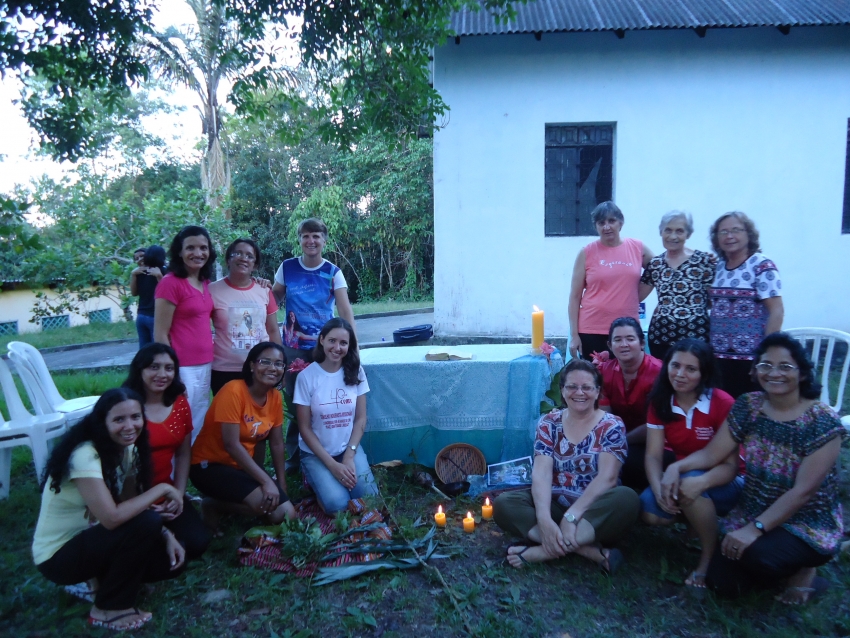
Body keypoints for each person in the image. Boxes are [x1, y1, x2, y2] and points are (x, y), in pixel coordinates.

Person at [662, 333, 845, 603]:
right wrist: (676, 468)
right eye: (766, 365)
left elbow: (803, 492)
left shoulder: (823, 422)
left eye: (785, 366)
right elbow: (713, 453)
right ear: (755, 370)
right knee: (722, 584)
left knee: (759, 556)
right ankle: (777, 568)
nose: (774, 373)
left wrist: (755, 529)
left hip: (806, 521)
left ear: (803, 373)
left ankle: (805, 570)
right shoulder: (749, 406)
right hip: (753, 509)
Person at [32, 389, 186, 631]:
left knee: (167, 560)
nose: (129, 426)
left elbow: (131, 505)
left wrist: (167, 535)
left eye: (135, 417)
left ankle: (97, 582)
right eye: (119, 419)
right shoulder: (85, 455)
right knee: (148, 522)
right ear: (102, 422)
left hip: (94, 541)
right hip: (58, 557)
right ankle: (107, 609)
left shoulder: (127, 449)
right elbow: (112, 518)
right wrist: (163, 488)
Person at [495, 359, 639, 572]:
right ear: (562, 390)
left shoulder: (611, 425)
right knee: (504, 504)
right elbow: (542, 472)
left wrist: (572, 517)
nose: (579, 393)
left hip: (593, 511)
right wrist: (544, 518)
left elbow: (607, 478)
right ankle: (586, 550)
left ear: (597, 391)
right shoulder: (549, 422)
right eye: (572, 386)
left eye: (587, 387)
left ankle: (542, 551)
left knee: (627, 498)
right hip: (555, 504)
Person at [641, 338, 741, 589]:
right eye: (675, 365)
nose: (680, 374)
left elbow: (730, 467)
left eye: (691, 369)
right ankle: (697, 524)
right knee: (650, 511)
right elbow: (653, 455)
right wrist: (658, 489)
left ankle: (708, 558)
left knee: (689, 486)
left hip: (728, 481)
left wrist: (698, 481)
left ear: (704, 373)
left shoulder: (722, 403)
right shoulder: (661, 400)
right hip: (685, 473)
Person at [271, 217, 357, 470]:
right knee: (295, 402)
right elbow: (273, 299)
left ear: (324, 241)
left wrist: (352, 345)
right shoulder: (287, 267)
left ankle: (327, 450)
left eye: (316, 236)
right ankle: (295, 458)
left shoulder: (333, 272)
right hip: (293, 347)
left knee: (323, 400)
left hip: (326, 348)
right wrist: (260, 290)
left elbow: (345, 310)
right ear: (299, 240)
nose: (311, 240)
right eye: (306, 236)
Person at [190, 342, 296, 530]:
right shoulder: (233, 391)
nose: (273, 368)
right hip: (209, 466)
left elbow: (277, 444)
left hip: (241, 467)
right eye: (265, 362)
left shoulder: (274, 397)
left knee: (286, 513)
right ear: (252, 365)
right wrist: (266, 481)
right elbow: (231, 444)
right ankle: (212, 505)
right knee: (263, 504)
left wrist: (281, 484)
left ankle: (232, 502)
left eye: (279, 364)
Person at [122, 343, 210, 559]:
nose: (162, 374)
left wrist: (178, 495)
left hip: (165, 492)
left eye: (169, 368)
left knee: (197, 543)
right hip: (127, 496)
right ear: (140, 369)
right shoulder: (125, 406)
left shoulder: (179, 403)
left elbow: (183, 453)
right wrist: (143, 505)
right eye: (154, 367)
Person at [294, 318, 378, 513]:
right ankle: (314, 479)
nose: (337, 348)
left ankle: (334, 479)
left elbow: (361, 419)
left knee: (369, 497)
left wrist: (349, 456)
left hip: (347, 448)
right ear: (322, 339)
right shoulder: (306, 377)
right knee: (337, 505)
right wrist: (332, 465)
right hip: (316, 453)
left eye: (343, 343)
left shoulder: (356, 372)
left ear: (349, 346)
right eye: (332, 340)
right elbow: (304, 428)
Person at [709, 212, 783, 397]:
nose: (729, 236)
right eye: (723, 232)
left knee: (750, 406)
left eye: (736, 230)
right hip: (719, 357)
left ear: (748, 234)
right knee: (724, 406)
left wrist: (765, 356)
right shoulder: (719, 267)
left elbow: (776, 311)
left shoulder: (762, 265)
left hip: (750, 358)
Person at [568, 201, 653, 361]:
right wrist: (574, 335)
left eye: (611, 221)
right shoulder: (586, 253)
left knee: (627, 374)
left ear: (621, 223)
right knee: (595, 375)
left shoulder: (637, 248)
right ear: (596, 226)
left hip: (627, 331)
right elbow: (574, 297)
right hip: (592, 330)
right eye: (601, 223)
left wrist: (637, 295)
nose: (606, 227)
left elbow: (659, 269)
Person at [155, 226, 216, 441]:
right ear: (179, 252)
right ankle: (172, 461)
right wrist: (170, 371)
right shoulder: (170, 283)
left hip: (205, 363)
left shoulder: (205, 283)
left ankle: (193, 460)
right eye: (190, 248)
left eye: (203, 248)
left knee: (198, 417)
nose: (198, 253)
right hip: (182, 367)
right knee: (178, 419)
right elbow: (160, 334)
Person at [594, 317, 668, 491]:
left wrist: (620, 442)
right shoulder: (604, 371)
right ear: (610, 345)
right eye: (617, 340)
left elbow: (656, 426)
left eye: (630, 339)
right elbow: (606, 418)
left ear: (642, 343)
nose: (624, 345)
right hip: (617, 439)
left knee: (623, 461)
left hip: (657, 443)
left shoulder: (660, 373)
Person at [639, 211, 717, 361]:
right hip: (660, 338)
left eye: (679, 231)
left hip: (696, 339)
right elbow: (636, 296)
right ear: (661, 232)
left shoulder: (703, 261)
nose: (673, 236)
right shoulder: (656, 264)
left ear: (688, 234)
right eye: (668, 230)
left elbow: (715, 302)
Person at [210, 238, 282, 395]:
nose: (244, 258)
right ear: (228, 259)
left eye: (249, 256)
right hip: (224, 370)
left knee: (259, 410)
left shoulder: (264, 290)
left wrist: (279, 363)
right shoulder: (212, 290)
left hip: (260, 368)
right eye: (238, 253)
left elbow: (273, 330)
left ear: (255, 265)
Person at [130, 245, 165, 348]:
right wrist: (133, 275)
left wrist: (159, 276)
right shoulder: (138, 273)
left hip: (155, 315)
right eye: (136, 258)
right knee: (145, 350)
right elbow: (134, 293)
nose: (139, 260)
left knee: (156, 348)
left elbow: (167, 291)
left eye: (142, 256)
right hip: (142, 315)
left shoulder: (160, 270)